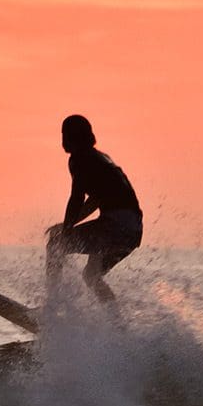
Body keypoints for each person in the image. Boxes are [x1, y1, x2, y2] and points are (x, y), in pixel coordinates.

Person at [46, 114, 143, 305]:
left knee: (55, 245)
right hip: (133, 232)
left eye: (64, 135)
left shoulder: (80, 159)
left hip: (115, 227)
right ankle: (117, 324)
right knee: (91, 276)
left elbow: (77, 198)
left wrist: (65, 231)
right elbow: (95, 201)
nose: (62, 140)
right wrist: (67, 225)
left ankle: (52, 306)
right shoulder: (100, 158)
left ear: (73, 137)